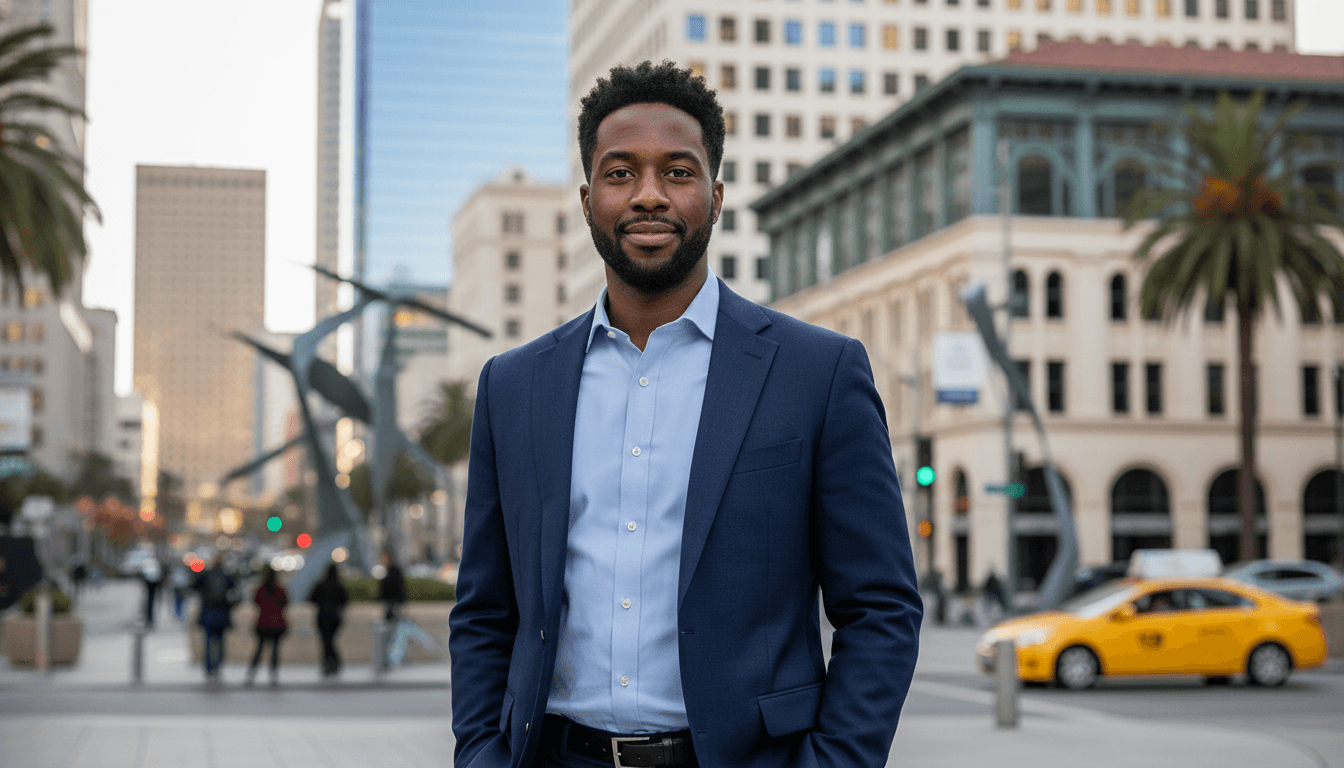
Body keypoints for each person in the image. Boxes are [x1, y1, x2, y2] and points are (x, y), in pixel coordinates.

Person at [449, 61, 922, 768]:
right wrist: (481, 754)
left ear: (716, 194)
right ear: (586, 199)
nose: (648, 196)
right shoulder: (514, 387)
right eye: (620, 174)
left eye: (677, 171)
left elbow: (881, 607)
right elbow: (486, 613)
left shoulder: (817, 373)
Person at [193, 556, 237, 683]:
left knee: (208, 642)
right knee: (221, 643)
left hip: (208, 614)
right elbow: (235, 594)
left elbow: (194, 587)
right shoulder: (227, 576)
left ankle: (209, 668)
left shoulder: (205, 575)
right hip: (222, 615)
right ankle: (218, 667)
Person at [245, 565, 288, 686]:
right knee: (275, 650)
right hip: (277, 623)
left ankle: (251, 674)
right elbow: (285, 603)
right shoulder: (280, 590)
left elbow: (256, 602)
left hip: (263, 623)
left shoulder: (261, 590)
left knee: (259, 649)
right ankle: (273, 675)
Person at [309, 562, 349, 678]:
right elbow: (345, 601)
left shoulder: (320, 585)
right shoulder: (339, 585)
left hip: (322, 617)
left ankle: (328, 664)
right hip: (335, 618)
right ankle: (334, 663)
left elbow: (312, 598)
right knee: (330, 641)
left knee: (325, 642)